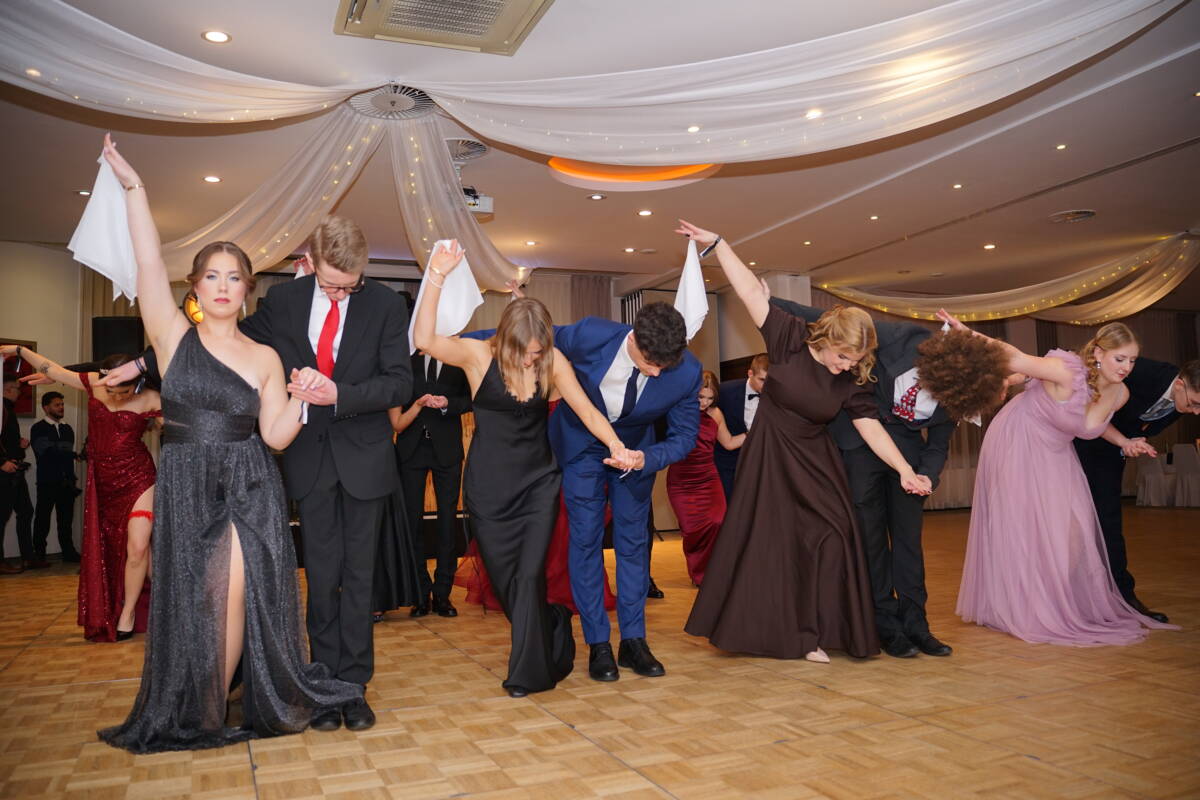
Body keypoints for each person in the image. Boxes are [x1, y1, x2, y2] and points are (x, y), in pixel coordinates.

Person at [94, 134, 362, 753]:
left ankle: (210, 712)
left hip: (249, 484)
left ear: (247, 290)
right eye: (211, 276)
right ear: (195, 286)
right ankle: (192, 703)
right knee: (198, 596)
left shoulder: (265, 356)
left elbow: (274, 435)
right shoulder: (171, 338)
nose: (222, 286)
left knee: (234, 590)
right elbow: (147, 264)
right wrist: (134, 189)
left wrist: (304, 399)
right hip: (188, 481)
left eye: (234, 277)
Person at [107, 219, 410, 735]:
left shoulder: (384, 305)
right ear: (310, 263)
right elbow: (222, 340)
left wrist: (339, 394)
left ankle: (354, 687)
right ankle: (321, 685)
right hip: (307, 456)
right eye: (331, 283)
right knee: (320, 578)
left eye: (350, 285)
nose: (340, 292)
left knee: (360, 578)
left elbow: (400, 382)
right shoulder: (284, 301)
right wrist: (143, 362)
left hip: (364, 456)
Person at [676, 220, 931, 663]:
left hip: (816, 461)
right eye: (842, 356)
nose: (846, 366)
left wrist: (905, 470)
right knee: (776, 544)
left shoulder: (851, 378)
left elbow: (870, 427)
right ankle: (797, 635)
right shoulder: (788, 338)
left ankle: (820, 625)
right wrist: (719, 244)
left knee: (834, 536)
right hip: (770, 455)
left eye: (855, 360)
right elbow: (750, 293)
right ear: (827, 339)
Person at [412, 240, 638, 697]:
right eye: (527, 352)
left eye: (539, 352)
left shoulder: (552, 362)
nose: (533, 360)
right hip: (489, 489)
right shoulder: (478, 356)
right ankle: (553, 620)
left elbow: (588, 411)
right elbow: (424, 340)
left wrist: (617, 445)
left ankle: (527, 674)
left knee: (529, 575)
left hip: (538, 485)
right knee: (506, 583)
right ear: (507, 339)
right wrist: (436, 275)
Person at [769, 298, 1012, 659]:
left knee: (908, 544)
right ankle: (885, 624)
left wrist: (926, 477)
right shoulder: (900, 338)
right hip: (860, 444)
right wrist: (767, 299)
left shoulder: (958, 394)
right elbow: (824, 318)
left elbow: (938, 444)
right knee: (870, 541)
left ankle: (917, 624)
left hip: (909, 460)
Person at [948, 313, 1177, 645]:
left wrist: (1124, 442)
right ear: (1098, 353)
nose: (1126, 367)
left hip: (1056, 449)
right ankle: (1021, 607)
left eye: (1132, 360)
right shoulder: (1065, 370)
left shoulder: (1120, 394)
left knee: (1071, 531)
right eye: (1120, 358)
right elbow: (1013, 357)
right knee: (1024, 523)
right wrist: (966, 333)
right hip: (1020, 438)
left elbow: (1093, 423)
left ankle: (1050, 600)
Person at [550, 302, 701, 682]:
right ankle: (598, 643)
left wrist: (646, 458)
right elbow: (533, 337)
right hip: (582, 444)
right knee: (585, 540)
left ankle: (633, 641)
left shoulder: (687, 371)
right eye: (650, 362)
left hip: (635, 452)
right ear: (632, 339)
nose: (656, 372)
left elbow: (685, 436)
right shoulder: (590, 334)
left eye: (664, 366)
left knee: (634, 543)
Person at [0, 346, 160, 641]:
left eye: (123, 391)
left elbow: (184, 435)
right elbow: (52, 368)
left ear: (136, 380)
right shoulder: (94, 382)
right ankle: (168, 603)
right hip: (104, 482)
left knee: (138, 547)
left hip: (140, 478)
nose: (114, 395)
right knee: (132, 552)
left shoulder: (153, 398)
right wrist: (20, 350)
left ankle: (127, 615)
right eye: (109, 388)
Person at [1074, 357, 1200, 623]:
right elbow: (1089, 397)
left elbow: (1137, 423)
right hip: (1075, 442)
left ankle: (1122, 598)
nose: (1196, 412)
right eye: (1195, 404)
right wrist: (1123, 440)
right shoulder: (1139, 371)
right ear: (1180, 385)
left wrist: (1130, 443)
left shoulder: (1183, 398)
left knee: (1108, 522)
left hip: (1109, 454)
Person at [393, 350, 471, 619]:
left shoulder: (458, 360)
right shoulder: (405, 360)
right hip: (411, 449)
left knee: (447, 521)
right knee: (412, 521)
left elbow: (472, 399)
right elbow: (395, 398)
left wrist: (448, 403)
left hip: (447, 450)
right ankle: (420, 592)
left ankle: (442, 594)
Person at [666, 371, 741, 586]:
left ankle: (714, 573)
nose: (704, 402)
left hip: (708, 478)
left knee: (717, 521)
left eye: (710, 398)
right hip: (681, 480)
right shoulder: (677, 411)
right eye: (701, 397)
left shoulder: (715, 414)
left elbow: (729, 443)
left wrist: (755, 432)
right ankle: (699, 573)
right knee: (691, 530)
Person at [30, 391, 82, 564]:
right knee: (42, 519)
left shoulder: (67, 428)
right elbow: (46, 453)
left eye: (62, 404)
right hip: (47, 481)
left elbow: (60, 451)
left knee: (66, 521)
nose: (61, 408)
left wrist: (66, 453)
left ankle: (68, 553)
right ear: (46, 408)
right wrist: (73, 454)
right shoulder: (38, 428)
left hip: (67, 481)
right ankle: (39, 554)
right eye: (57, 405)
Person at [713, 354, 767, 499]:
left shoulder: (778, 395)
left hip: (762, 461)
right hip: (729, 463)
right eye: (762, 380)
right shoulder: (725, 391)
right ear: (750, 373)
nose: (766, 386)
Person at [0, 375, 33, 574]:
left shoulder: (7, 410)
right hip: (5, 472)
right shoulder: (2, 409)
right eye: (17, 389)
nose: (19, 393)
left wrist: (18, 445)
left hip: (15, 471)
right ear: (7, 389)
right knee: (1, 517)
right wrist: (1, 462)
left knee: (26, 511)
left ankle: (28, 557)